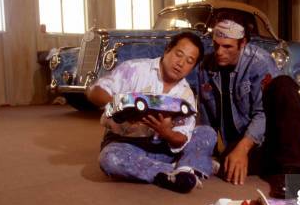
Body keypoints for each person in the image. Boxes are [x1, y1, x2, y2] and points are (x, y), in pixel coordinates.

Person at [197, 18, 300, 198]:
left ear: (243, 43)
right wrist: (203, 153)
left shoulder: (260, 61)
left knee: (284, 84)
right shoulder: (205, 66)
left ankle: (291, 172)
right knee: (227, 166)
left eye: (227, 47)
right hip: (242, 140)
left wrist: (243, 148)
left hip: (271, 132)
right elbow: (205, 116)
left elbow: (262, 113)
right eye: (216, 45)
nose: (219, 52)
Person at [87, 32, 217, 193]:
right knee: (110, 159)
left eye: (189, 61)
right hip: (127, 145)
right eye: (179, 54)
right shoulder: (134, 69)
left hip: (164, 149)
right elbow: (95, 91)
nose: (181, 63)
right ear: (167, 49)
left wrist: (166, 132)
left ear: (193, 66)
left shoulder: (186, 95)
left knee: (207, 133)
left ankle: (180, 169)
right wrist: (120, 106)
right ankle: (185, 168)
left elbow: (181, 138)